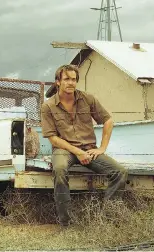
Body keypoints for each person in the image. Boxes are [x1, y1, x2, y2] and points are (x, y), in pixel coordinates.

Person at [40, 64, 128, 227]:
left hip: (89, 149)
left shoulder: (88, 99)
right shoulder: (48, 106)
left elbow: (108, 120)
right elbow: (53, 138)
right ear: (58, 82)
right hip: (64, 150)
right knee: (59, 170)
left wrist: (102, 148)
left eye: (74, 79)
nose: (71, 83)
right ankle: (66, 224)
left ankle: (106, 219)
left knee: (119, 172)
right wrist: (78, 152)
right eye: (66, 79)